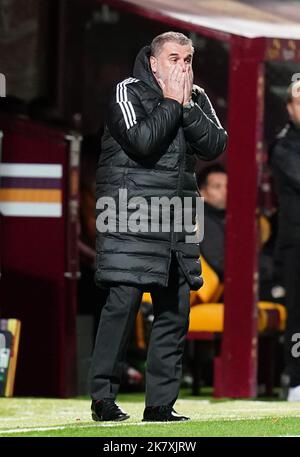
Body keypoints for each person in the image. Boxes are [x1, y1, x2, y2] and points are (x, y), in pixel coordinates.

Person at [89, 31, 227, 422]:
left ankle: (160, 405)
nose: (181, 67)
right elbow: (141, 140)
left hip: (176, 221)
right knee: (122, 306)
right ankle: (103, 399)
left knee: (174, 312)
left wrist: (185, 105)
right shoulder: (127, 91)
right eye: (173, 58)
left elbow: (216, 144)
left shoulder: (195, 97)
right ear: (153, 62)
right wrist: (171, 102)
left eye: (187, 59)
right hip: (130, 216)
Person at [269, 80, 300, 401]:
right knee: (298, 315)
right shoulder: (283, 147)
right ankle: (296, 381)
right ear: (289, 109)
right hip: (295, 245)